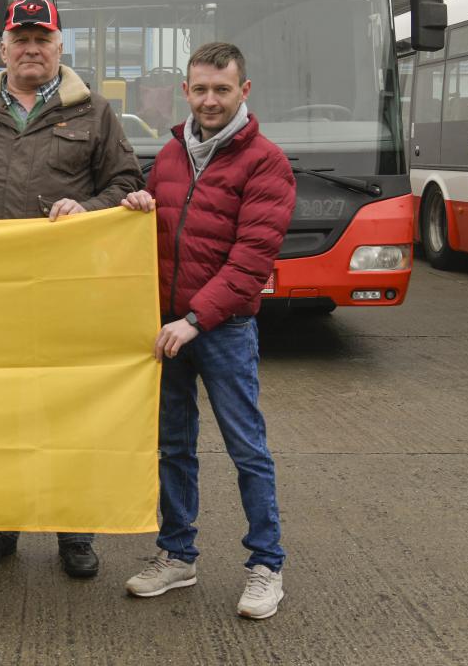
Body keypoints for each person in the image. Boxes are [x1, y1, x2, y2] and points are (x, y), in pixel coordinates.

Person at [0, 0, 143, 579]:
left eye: (41, 39)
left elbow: (126, 184)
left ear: (59, 47)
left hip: (65, 290)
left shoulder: (93, 111)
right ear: (2, 49)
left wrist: (88, 205)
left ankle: (75, 530)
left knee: (66, 407)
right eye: (20, 40)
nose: (30, 49)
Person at [120, 41, 295, 619]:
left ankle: (266, 566)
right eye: (200, 89)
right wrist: (137, 205)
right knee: (173, 448)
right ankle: (177, 557)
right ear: (186, 92)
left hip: (220, 330)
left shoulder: (266, 161)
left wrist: (196, 320)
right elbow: (157, 235)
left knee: (248, 450)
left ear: (244, 91)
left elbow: (251, 259)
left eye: (222, 89)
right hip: (167, 329)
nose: (210, 99)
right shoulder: (170, 155)